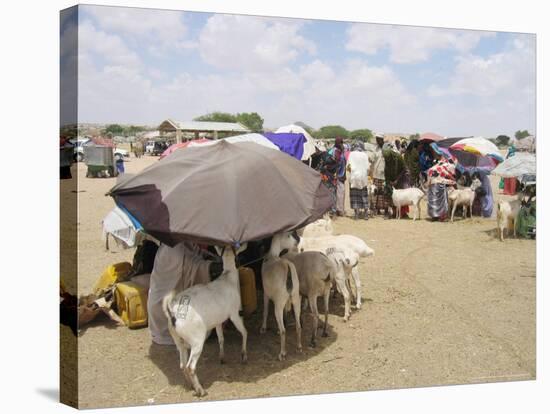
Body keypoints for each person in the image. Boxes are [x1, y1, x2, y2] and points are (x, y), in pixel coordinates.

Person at [148, 241, 222, 345]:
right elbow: (197, 267)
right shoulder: (174, 249)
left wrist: (216, 258)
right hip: (163, 311)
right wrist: (224, 266)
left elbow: (200, 254)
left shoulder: (183, 243)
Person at [383, 146, 411, 219]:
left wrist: (397, 180)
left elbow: (404, 169)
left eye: (388, 158)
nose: (387, 160)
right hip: (390, 178)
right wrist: (388, 182)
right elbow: (386, 170)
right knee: (389, 194)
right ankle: (390, 212)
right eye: (386, 159)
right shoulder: (386, 158)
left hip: (401, 177)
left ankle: (403, 213)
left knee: (401, 195)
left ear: (391, 155)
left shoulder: (398, 157)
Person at [426, 154, 457, 221]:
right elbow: (449, 175)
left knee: (433, 202)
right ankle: (441, 216)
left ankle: (434, 216)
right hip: (439, 186)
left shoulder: (430, 169)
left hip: (432, 186)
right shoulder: (442, 168)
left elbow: (428, 181)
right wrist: (454, 180)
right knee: (441, 202)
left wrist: (428, 187)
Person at [369, 134, 389, 217]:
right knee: (376, 193)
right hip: (376, 174)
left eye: (378, 139)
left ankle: (386, 210)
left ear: (381, 139)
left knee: (385, 192)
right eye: (376, 139)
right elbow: (371, 159)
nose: (377, 141)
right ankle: (376, 209)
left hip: (385, 174)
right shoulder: (375, 149)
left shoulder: (387, 148)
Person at [347, 151, 370, 220]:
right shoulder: (365, 154)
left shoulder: (351, 154)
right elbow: (368, 168)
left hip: (354, 178)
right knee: (364, 195)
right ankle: (366, 214)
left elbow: (348, 167)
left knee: (355, 196)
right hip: (363, 177)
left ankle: (356, 214)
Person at [329, 137, 347, 216]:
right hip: (337, 175)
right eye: (340, 142)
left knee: (338, 192)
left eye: (341, 142)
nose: (341, 144)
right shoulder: (335, 151)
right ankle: (337, 210)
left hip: (339, 175)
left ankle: (337, 209)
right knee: (338, 192)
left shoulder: (339, 151)